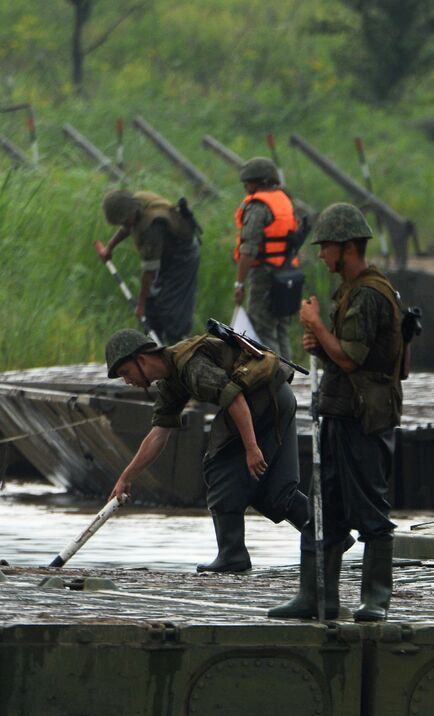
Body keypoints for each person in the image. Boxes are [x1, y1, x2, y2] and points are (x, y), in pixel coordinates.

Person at [268, 203, 406, 622]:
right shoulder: (351, 290)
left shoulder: (368, 293)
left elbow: (351, 359)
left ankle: (376, 599)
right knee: (322, 510)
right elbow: (340, 356)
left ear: (346, 247)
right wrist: (318, 343)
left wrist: (317, 325)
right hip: (340, 412)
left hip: (364, 418)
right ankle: (316, 597)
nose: (322, 255)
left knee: (370, 511)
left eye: (326, 248)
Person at [104, 327, 309, 574]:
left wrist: (251, 448)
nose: (127, 381)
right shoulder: (171, 381)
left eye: (126, 372)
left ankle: (232, 555)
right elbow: (159, 433)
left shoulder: (191, 366)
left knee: (219, 466)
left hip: (264, 402)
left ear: (143, 359)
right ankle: (328, 536)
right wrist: (127, 476)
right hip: (278, 397)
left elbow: (234, 399)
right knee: (275, 495)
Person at [97, 189, 201, 344]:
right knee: (152, 310)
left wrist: (140, 306)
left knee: (172, 310)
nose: (125, 225)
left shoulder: (153, 227)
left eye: (125, 221)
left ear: (132, 212)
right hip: (165, 252)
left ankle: (178, 349)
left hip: (182, 256)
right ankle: (154, 347)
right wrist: (109, 248)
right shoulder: (134, 207)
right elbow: (127, 228)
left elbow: (149, 272)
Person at [234, 157, 303, 357]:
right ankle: (287, 375)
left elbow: (248, 250)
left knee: (263, 330)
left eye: (248, 182)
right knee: (281, 328)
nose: (246, 186)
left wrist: (239, 284)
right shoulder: (285, 200)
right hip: (288, 274)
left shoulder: (257, 206)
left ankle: (276, 379)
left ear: (260, 181)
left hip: (264, 276)